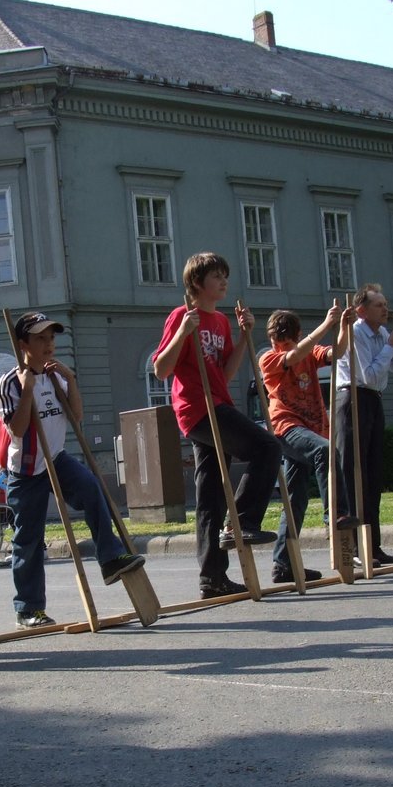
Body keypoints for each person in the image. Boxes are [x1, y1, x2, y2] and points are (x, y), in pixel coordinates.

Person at [0, 313, 144, 628]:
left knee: (92, 488)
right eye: (40, 338)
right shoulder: (10, 382)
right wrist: (27, 390)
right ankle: (28, 609)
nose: (49, 344)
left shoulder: (55, 377)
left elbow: (76, 416)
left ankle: (110, 558)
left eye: (51, 338)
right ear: (23, 345)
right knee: (29, 539)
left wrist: (71, 380)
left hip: (57, 458)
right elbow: (17, 430)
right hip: (26, 469)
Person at [152, 252, 280, 600]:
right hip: (198, 408)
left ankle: (212, 577)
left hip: (217, 400)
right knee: (267, 447)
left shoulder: (222, 321)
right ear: (197, 283)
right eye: (216, 277)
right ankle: (242, 522)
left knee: (209, 496)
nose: (224, 282)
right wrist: (183, 331)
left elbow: (225, 373)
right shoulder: (182, 315)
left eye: (225, 276)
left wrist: (244, 336)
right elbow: (161, 370)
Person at [259, 304, 353, 584]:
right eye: (276, 341)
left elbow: (337, 353)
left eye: (285, 340)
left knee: (296, 499)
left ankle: (283, 564)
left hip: (309, 428)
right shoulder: (269, 359)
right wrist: (326, 324)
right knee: (325, 450)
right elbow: (293, 356)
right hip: (286, 427)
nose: (279, 346)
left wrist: (343, 328)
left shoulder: (309, 352)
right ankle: (335, 513)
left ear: (297, 335)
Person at [333, 283, 393, 565]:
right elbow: (368, 375)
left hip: (373, 400)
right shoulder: (355, 333)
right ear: (362, 310)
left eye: (386, 304)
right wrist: (391, 346)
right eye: (379, 305)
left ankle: (373, 545)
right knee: (354, 473)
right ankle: (355, 547)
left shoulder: (383, 334)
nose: (385, 309)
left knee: (373, 474)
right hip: (353, 398)